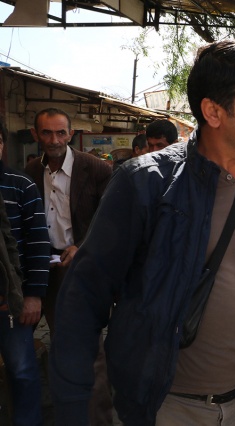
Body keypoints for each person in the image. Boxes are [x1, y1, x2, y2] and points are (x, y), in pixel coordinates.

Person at [48, 39, 235, 426]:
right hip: (166, 408)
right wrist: (78, 407)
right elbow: (83, 300)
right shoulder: (146, 183)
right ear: (213, 111)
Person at [25, 107, 114, 425]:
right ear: (35, 135)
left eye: (60, 132)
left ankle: (97, 416)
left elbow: (111, 218)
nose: (54, 140)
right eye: (47, 133)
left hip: (81, 267)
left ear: (71, 134)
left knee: (88, 347)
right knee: (59, 342)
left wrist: (83, 246)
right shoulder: (31, 170)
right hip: (43, 266)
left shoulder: (95, 168)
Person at [0, 118, 49, 425]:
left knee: (22, 372)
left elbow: (38, 243)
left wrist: (33, 295)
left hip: (12, 302)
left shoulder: (20, 185)